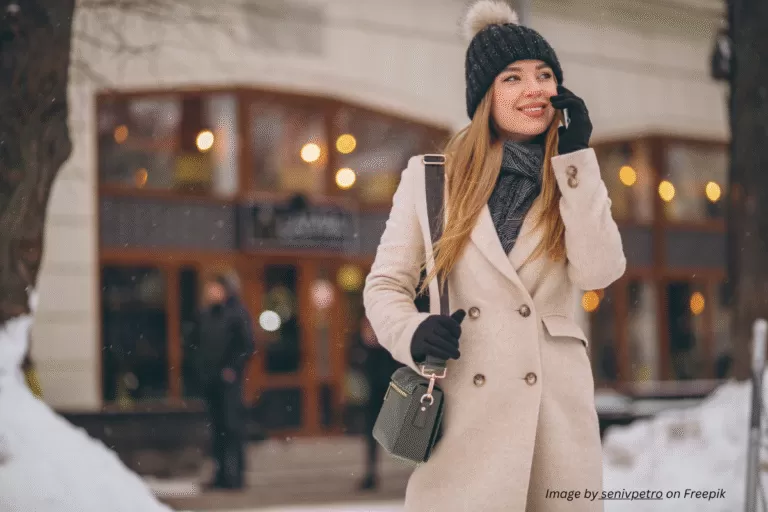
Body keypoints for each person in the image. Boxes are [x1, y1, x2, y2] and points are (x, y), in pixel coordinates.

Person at [362, 1, 626, 511]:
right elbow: (385, 285)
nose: (535, 89)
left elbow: (600, 271)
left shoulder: (571, 178)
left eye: (545, 75)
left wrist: (577, 159)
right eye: (513, 78)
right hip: (467, 423)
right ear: (486, 96)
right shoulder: (433, 178)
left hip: (554, 427)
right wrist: (412, 332)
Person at [194, 271, 255, 490]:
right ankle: (220, 476)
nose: (210, 293)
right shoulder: (205, 314)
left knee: (232, 428)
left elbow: (246, 345)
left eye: (214, 288)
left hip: (229, 382)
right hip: (210, 380)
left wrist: (231, 368)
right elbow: (198, 345)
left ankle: (236, 477)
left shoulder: (237, 313)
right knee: (216, 430)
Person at [356, 315, 400, 491]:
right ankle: (371, 473)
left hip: (393, 384)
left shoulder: (390, 341)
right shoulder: (368, 351)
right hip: (375, 388)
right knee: (372, 431)